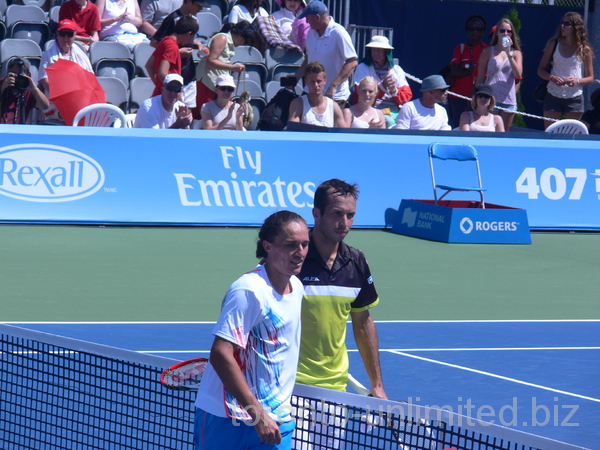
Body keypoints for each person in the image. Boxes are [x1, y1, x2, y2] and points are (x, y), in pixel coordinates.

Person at [194, 210, 309, 450]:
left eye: (304, 244)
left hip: (276, 417)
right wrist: (257, 414)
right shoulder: (249, 290)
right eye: (290, 245)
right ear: (268, 246)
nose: (300, 253)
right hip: (226, 416)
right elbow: (221, 352)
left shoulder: (297, 287)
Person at [293, 179, 387, 449]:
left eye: (350, 215)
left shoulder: (356, 261)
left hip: (335, 389)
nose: (344, 222)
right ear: (316, 213)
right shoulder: (292, 256)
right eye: (336, 213)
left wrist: (377, 385)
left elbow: (363, 323)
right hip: (290, 385)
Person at [293, 0, 357, 106]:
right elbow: (309, 58)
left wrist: (333, 86)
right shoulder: (310, 33)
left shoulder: (339, 33)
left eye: (308, 18)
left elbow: (352, 62)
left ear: (317, 17)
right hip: (310, 93)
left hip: (335, 97)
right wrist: (296, 77)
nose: (307, 22)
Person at [537, 12, 594, 130]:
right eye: (562, 23)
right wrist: (552, 78)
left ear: (576, 27)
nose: (562, 26)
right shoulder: (554, 44)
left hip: (574, 96)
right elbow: (540, 70)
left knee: (572, 133)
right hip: (553, 93)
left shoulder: (584, 49)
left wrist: (577, 80)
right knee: (551, 132)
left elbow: (590, 78)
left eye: (567, 24)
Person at [193, 20, 257, 119]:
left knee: (220, 115)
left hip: (218, 84)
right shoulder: (222, 38)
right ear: (241, 36)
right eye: (245, 41)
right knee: (204, 115)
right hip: (208, 83)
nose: (243, 44)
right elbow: (210, 61)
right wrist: (233, 67)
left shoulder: (227, 41)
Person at [151, 0, 208, 108]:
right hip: (172, 75)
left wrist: (196, 45)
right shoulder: (172, 19)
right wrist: (176, 52)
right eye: (199, 5)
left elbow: (186, 40)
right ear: (189, 2)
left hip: (188, 73)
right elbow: (155, 42)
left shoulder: (194, 19)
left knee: (188, 111)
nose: (201, 9)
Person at [352, 35, 412, 128]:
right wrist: (382, 86)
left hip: (395, 111)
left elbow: (406, 97)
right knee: (388, 121)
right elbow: (359, 95)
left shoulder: (396, 70)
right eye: (373, 49)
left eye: (380, 49)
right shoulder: (363, 68)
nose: (376, 52)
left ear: (386, 52)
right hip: (373, 110)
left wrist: (393, 90)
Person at [476, 18, 523, 131]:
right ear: (497, 32)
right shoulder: (487, 52)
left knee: (504, 134)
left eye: (508, 31)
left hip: (508, 99)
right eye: (502, 31)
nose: (505, 34)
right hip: (491, 98)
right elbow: (480, 78)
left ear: (512, 34)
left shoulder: (516, 53)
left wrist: (508, 53)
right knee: (490, 131)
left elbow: (518, 75)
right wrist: (478, 97)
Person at [447, 15, 489, 128]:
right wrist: (472, 70)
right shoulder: (460, 48)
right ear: (467, 31)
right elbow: (454, 71)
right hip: (458, 95)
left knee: (476, 126)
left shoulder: (487, 50)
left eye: (478, 29)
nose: (475, 32)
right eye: (472, 29)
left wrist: (466, 67)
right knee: (458, 126)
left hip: (479, 97)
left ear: (483, 31)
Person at [146, 14, 199, 98]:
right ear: (188, 34)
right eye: (192, 37)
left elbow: (149, 65)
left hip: (161, 93)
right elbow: (162, 73)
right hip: (167, 99)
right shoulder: (172, 46)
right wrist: (176, 93)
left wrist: (159, 85)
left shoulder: (165, 41)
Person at [38, 19, 94, 94]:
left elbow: (90, 78)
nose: (65, 38)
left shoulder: (81, 55)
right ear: (57, 34)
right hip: (55, 100)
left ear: (75, 35)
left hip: (79, 97)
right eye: (62, 34)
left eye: (69, 34)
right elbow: (45, 82)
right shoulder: (47, 55)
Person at [287, 61, 346, 128]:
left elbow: (343, 134)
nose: (316, 85)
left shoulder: (334, 106)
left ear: (324, 81)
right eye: (312, 81)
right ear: (306, 82)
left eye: (318, 81)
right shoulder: (298, 104)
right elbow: (293, 132)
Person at [0, 57, 50, 125]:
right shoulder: (2, 82)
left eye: (19, 75)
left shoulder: (28, 89)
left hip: (19, 131)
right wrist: (2, 87)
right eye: (13, 74)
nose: (16, 78)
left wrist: (35, 89)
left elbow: (45, 106)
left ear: (28, 75)